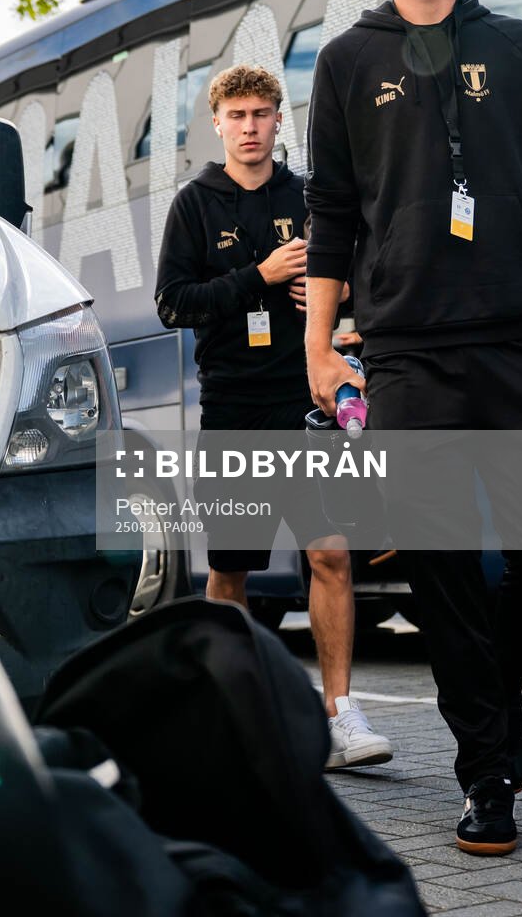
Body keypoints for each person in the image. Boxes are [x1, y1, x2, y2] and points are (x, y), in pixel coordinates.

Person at [304, 0, 522, 854]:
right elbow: (331, 213)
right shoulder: (345, 64)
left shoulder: (519, 50)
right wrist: (318, 343)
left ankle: (487, 700)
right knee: (438, 563)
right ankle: (487, 771)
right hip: (407, 348)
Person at [156, 63, 393, 769]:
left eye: (263, 114)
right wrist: (257, 278)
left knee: (329, 553)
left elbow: (365, 276)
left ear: (278, 120)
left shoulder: (308, 198)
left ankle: (340, 715)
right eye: (238, 116)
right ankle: (232, 709)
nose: (251, 127)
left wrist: (338, 294)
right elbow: (173, 303)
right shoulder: (194, 204)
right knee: (229, 571)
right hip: (232, 405)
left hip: (305, 402)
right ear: (218, 123)